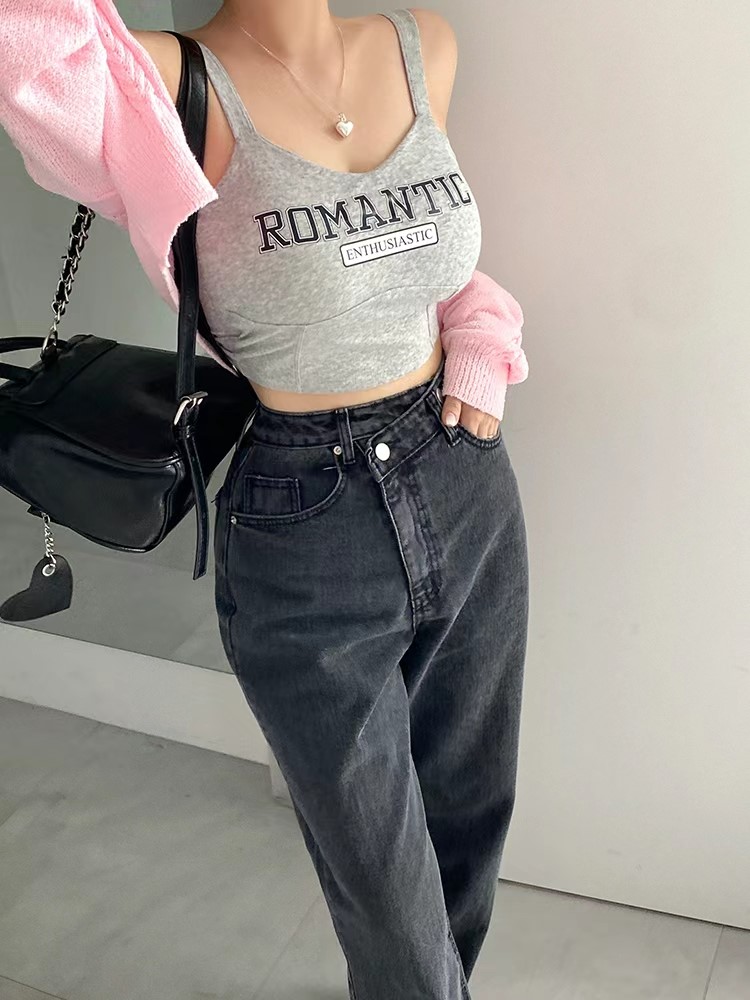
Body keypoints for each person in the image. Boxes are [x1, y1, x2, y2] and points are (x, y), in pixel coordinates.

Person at [1, 3, 529, 996]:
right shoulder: (153, 82)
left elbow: (425, 262)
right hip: (306, 516)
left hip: (463, 477)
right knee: (380, 875)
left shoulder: (420, 46)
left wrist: (483, 339)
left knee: (467, 809)